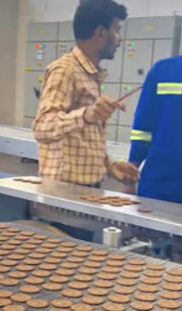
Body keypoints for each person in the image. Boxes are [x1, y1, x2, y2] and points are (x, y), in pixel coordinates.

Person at [33, 0, 139, 187]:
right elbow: (42, 128)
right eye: (116, 30)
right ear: (100, 32)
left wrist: (110, 164)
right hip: (62, 194)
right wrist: (87, 114)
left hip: (86, 191)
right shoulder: (65, 70)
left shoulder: (90, 75)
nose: (120, 39)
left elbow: (83, 138)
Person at [128, 56, 182, 203]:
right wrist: (130, 174)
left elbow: (142, 127)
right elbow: (142, 127)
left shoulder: (163, 70)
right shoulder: (161, 71)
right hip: (158, 186)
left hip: (157, 185)